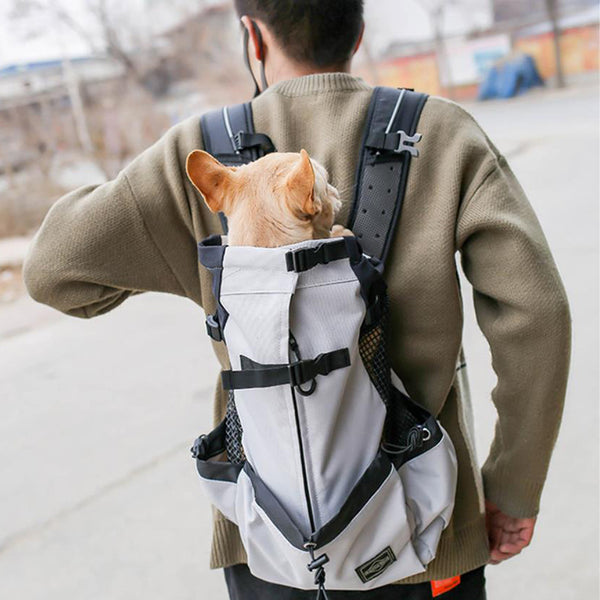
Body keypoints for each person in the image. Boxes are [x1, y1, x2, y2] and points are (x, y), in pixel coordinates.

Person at [23, 1, 571, 598]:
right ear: (357, 32)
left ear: (251, 38)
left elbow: (53, 271)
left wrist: (187, 261)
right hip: (427, 535)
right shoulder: (442, 132)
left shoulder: (200, 150)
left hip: (268, 542)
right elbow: (536, 314)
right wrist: (513, 488)